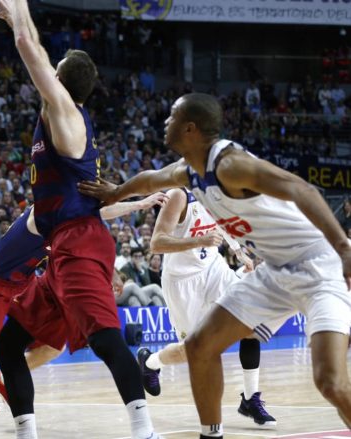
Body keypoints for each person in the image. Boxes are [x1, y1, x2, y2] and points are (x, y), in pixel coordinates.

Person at [79, 92, 351, 437]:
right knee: (200, 346)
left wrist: (343, 247)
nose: (165, 122)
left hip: (317, 267)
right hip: (273, 272)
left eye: (172, 117)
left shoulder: (230, 164)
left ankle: (250, 397)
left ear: (190, 128)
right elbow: (149, 179)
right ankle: (212, 433)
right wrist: (116, 192)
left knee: (329, 381)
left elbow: (304, 190)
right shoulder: (188, 173)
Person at [0, 2, 161, 438]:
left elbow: (30, 47)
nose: (48, 71)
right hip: (62, 243)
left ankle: (145, 430)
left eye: (54, 68)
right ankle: (27, 430)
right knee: (7, 344)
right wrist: (16, 19)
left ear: (60, 79)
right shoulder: (61, 116)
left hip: (78, 242)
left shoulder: (63, 112)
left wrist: (20, 10)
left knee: (105, 339)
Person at [0, 194, 168, 428]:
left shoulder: (60, 214)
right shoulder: (44, 213)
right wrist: (136, 203)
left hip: (24, 282)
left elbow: (94, 214)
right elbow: (96, 212)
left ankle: (2, 381)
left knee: (53, 346)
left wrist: (139, 204)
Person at [136, 187, 278, 427]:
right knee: (192, 351)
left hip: (214, 269)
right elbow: (157, 243)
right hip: (182, 280)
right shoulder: (179, 195)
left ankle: (250, 398)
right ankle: (150, 362)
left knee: (251, 319)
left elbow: (221, 222)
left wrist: (237, 250)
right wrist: (199, 240)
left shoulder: (215, 190)